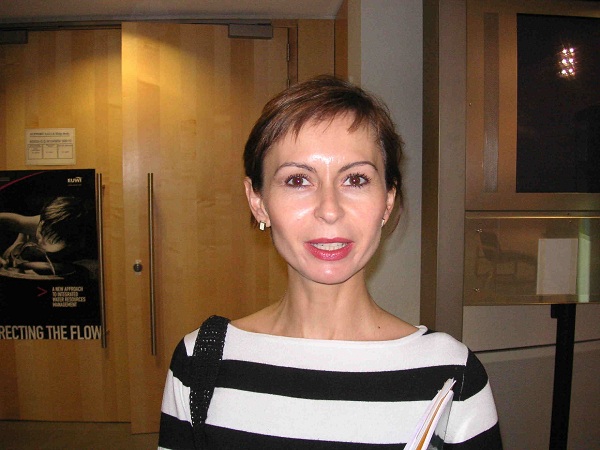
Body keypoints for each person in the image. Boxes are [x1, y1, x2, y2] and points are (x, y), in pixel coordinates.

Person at [159, 75, 503, 449]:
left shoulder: (451, 375)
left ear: (387, 200)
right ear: (258, 201)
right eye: (297, 180)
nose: (329, 209)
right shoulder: (200, 362)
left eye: (355, 179)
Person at [0, 196, 89, 268]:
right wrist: (21, 240)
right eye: (42, 233)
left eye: (51, 240)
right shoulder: (34, 223)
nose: (40, 241)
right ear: (42, 223)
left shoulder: (76, 241)